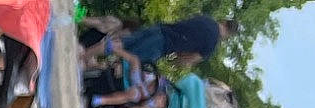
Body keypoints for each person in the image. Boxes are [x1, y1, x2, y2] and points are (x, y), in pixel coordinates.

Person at [83, 14, 236, 71]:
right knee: (128, 63)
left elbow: (185, 22)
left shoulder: (206, 19)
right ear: (228, 35)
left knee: (122, 43)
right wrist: (176, 62)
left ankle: (84, 56)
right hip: (162, 46)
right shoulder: (211, 45)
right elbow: (188, 59)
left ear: (224, 21)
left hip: (159, 29)